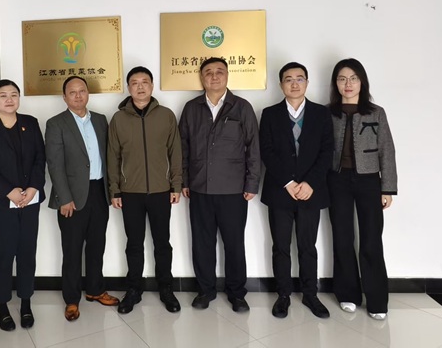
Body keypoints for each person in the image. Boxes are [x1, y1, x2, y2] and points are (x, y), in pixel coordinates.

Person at [179, 57, 260, 313]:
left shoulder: (242, 107)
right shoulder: (191, 108)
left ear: (227, 76)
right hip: (199, 187)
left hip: (233, 189)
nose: (214, 76)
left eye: (219, 72)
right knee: (202, 242)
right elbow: (183, 148)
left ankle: (237, 293)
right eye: (208, 72)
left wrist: (252, 183)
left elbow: (253, 148)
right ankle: (205, 290)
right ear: (201, 77)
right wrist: (184, 180)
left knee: (234, 243)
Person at [259, 62, 333, 319]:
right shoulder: (269, 114)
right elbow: (266, 151)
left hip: (311, 192)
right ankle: (283, 295)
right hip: (280, 192)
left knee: (307, 246)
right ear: (281, 84)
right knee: (280, 246)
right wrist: (289, 183)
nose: (294, 83)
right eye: (288, 79)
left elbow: (327, 151)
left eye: (300, 79)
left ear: (307, 83)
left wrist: (310, 183)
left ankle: (311, 294)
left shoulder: (321, 114)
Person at [0, 79, 46, 331]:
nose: (9, 99)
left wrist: (33, 187)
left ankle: (26, 303)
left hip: (30, 200)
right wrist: (8, 191)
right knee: (4, 253)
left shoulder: (30, 123)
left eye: (14, 94)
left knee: (27, 251)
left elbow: (40, 157)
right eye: (3, 95)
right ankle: (1, 305)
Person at [107, 66, 182, 314]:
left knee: (162, 243)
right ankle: (133, 290)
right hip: (130, 193)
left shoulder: (166, 116)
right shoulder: (118, 119)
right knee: (134, 244)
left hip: (161, 191)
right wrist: (115, 190)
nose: (140, 87)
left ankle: (166, 289)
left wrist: (176, 185)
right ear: (128, 88)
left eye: (145, 82)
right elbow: (113, 157)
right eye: (135, 82)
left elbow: (175, 152)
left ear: (152, 85)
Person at [328, 58, 397, 320]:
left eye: (353, 78)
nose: (348, 84)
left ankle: (377, 300)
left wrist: (387, 188)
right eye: (342, 78)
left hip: (369, 181)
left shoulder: (376, 112)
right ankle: (348, 293)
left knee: (371, 239)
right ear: (335, 83)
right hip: (337, 180)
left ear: (362, 82)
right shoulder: (327, 112)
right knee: (342, 237)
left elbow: (387, 150)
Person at [46, 76, 119, 322]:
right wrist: (64, 198)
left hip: (99, 191)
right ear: (64, 97)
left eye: (82, 91)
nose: (78, 96)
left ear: (88, 93)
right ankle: (71, 299)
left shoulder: (100, 120)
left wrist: (113, 190)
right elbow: (55, 164)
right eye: (72, 92)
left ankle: (95, 290)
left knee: (97, 245)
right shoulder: (56, 123)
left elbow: (108, 157)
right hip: (71, 197)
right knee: (72, 249)